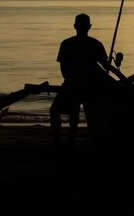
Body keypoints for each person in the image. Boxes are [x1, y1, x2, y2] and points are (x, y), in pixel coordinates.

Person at [50, 13, 120, 145]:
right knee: (70, 109)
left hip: (77, 83)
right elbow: (106, 66)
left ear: (75, 26)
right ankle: (69, 139)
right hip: (90, 85)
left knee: (58, 110)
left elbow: (63, 69)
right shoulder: (95, 44)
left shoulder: (66, 44)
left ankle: (59, 139)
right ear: (89, 27)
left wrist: (71, 82)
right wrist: (121, 78)